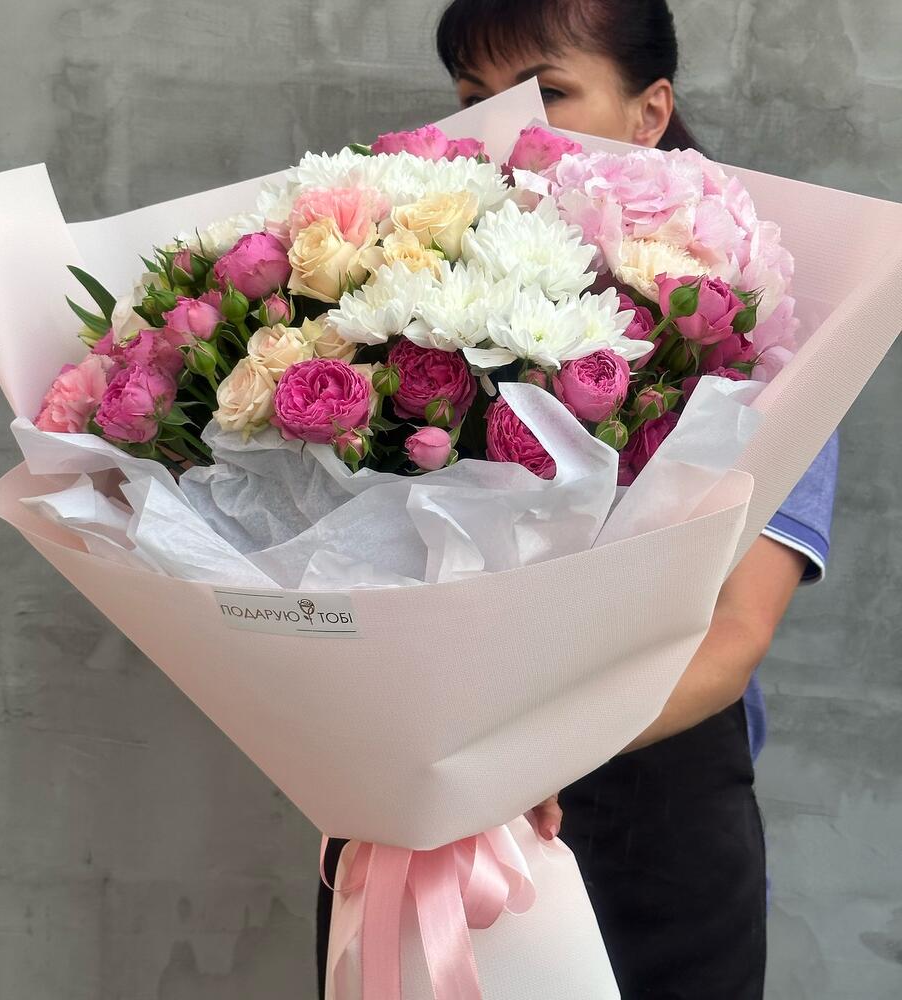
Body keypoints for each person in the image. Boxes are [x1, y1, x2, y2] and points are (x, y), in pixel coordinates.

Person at [315, 2, 839, 997]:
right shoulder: (397, 298)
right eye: (474, 98)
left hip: (651, 798)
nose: (505, 127)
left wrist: (517, 759)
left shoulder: (755, 326)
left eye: (549, 91)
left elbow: (735, 631)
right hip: (426, 803)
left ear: (650, 112)